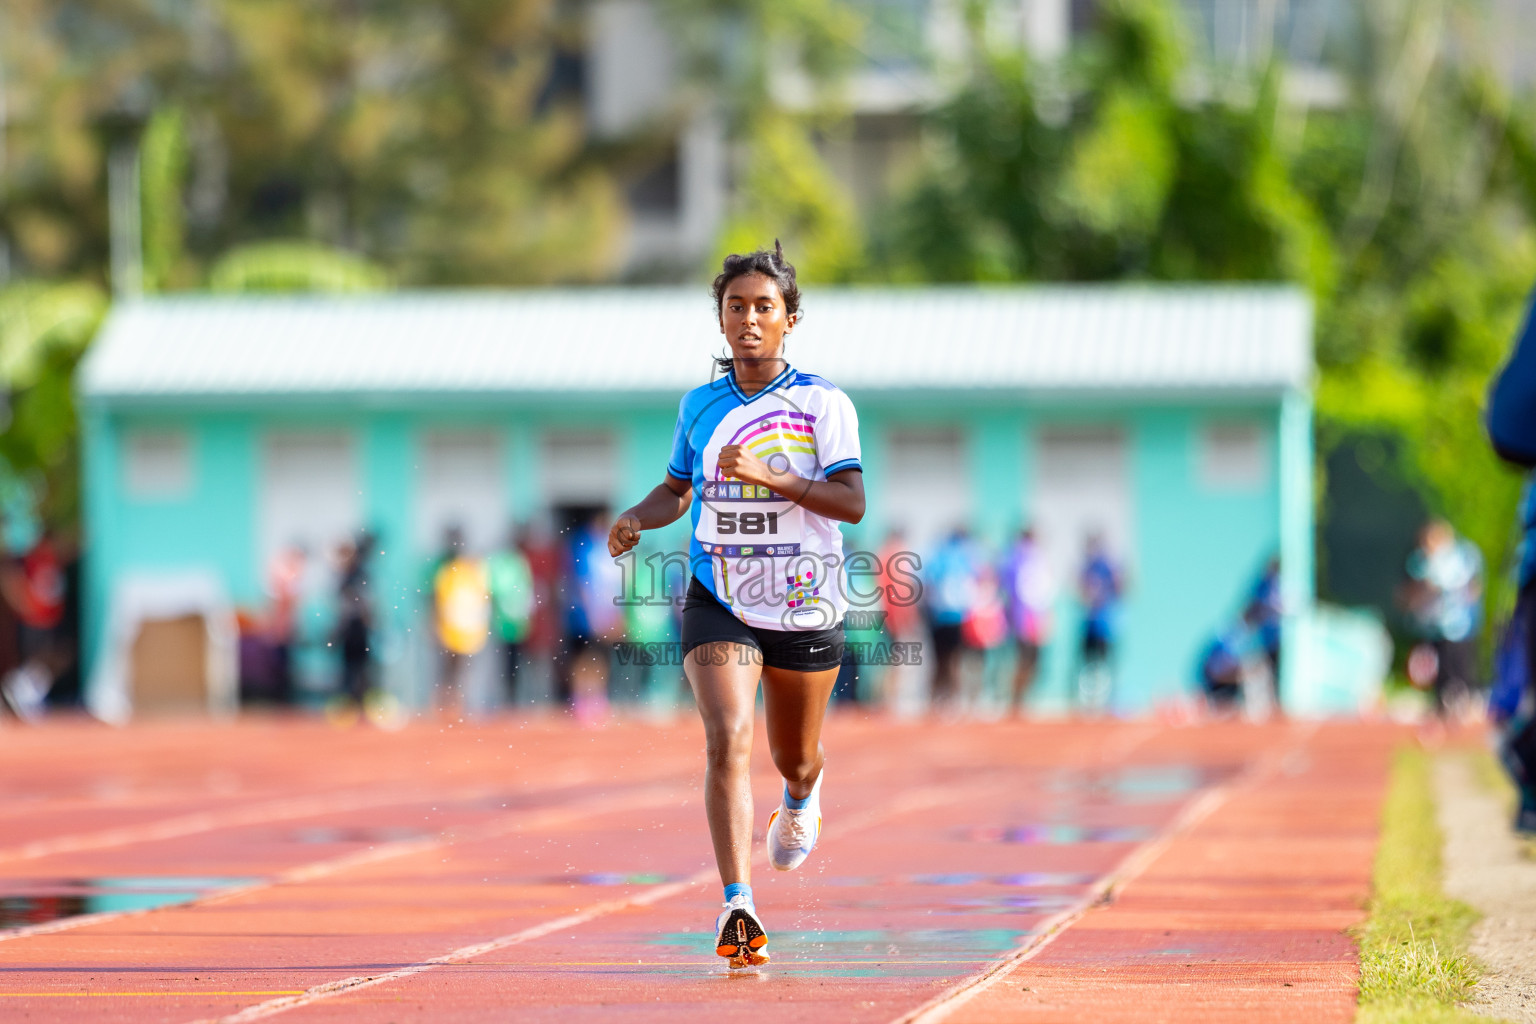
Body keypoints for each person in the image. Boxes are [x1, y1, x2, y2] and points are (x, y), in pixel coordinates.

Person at [607, 242, 864, 968]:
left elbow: (851, 503)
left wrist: (771, 476)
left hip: (807, 604)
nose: (749, 321)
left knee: (796, 757)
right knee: (728, 734)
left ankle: (804, 797)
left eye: (764, 308)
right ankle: (738, 904)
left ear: (789, 320)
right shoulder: (700, 403)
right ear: (720, 320)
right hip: (718, 595)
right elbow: (675, 490)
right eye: (735, 308)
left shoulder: (823, 403)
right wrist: (637, 514)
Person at [1403, 519, 1484, 719]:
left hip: (1460, 624)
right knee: (1439, 668)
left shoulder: (1461, 557)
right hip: (1435, 625)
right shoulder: (1421, 560)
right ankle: (1442, 704)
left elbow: (1472, 586)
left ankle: (1462, 703)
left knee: (1459, 665)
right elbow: (1414, 590)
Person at [431, 525, 490, 717]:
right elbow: (439, 602)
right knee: (449, 669)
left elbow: (483, 600)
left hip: (468, 631)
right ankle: (447, 705)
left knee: (463, 669)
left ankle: (460, 704)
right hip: (451, 630)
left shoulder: (472, 573)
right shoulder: (449, 572)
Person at [999, 526, 1054, 716]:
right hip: (1025, 617)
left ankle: (1019, 697)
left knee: (1030, 660)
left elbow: (1043, 592)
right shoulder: (1017, 558)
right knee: (1025, 659)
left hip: (1031, 617)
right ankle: (1016, 698)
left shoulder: (1034, 558)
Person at [925, 527, 981, 711]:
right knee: (955, 660)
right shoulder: (965, 557)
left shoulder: (938, 555)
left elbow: (927, 585)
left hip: (938, 617)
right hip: (957, 617)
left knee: (939, 662)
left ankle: (934, 701)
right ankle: (953, 701)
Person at [486, 525, 535, 707]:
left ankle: (514, 698)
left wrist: (527, 615)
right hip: (502, 621)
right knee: (502, 663)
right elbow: (494, 591)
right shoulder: (500, 563)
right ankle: (503, 698)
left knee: (516, 661)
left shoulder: (520, 562)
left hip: (517, 620)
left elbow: (527, 590)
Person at [1077, 532, 1123, 714]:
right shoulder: (1087, 566)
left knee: (1104, 664)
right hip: (1090, 623)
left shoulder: (1107, 565)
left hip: (1105, 624)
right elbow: (1081, 590)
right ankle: (1088, 702)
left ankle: (1105, 701)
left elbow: (1121, 587)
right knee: (1087, 663)